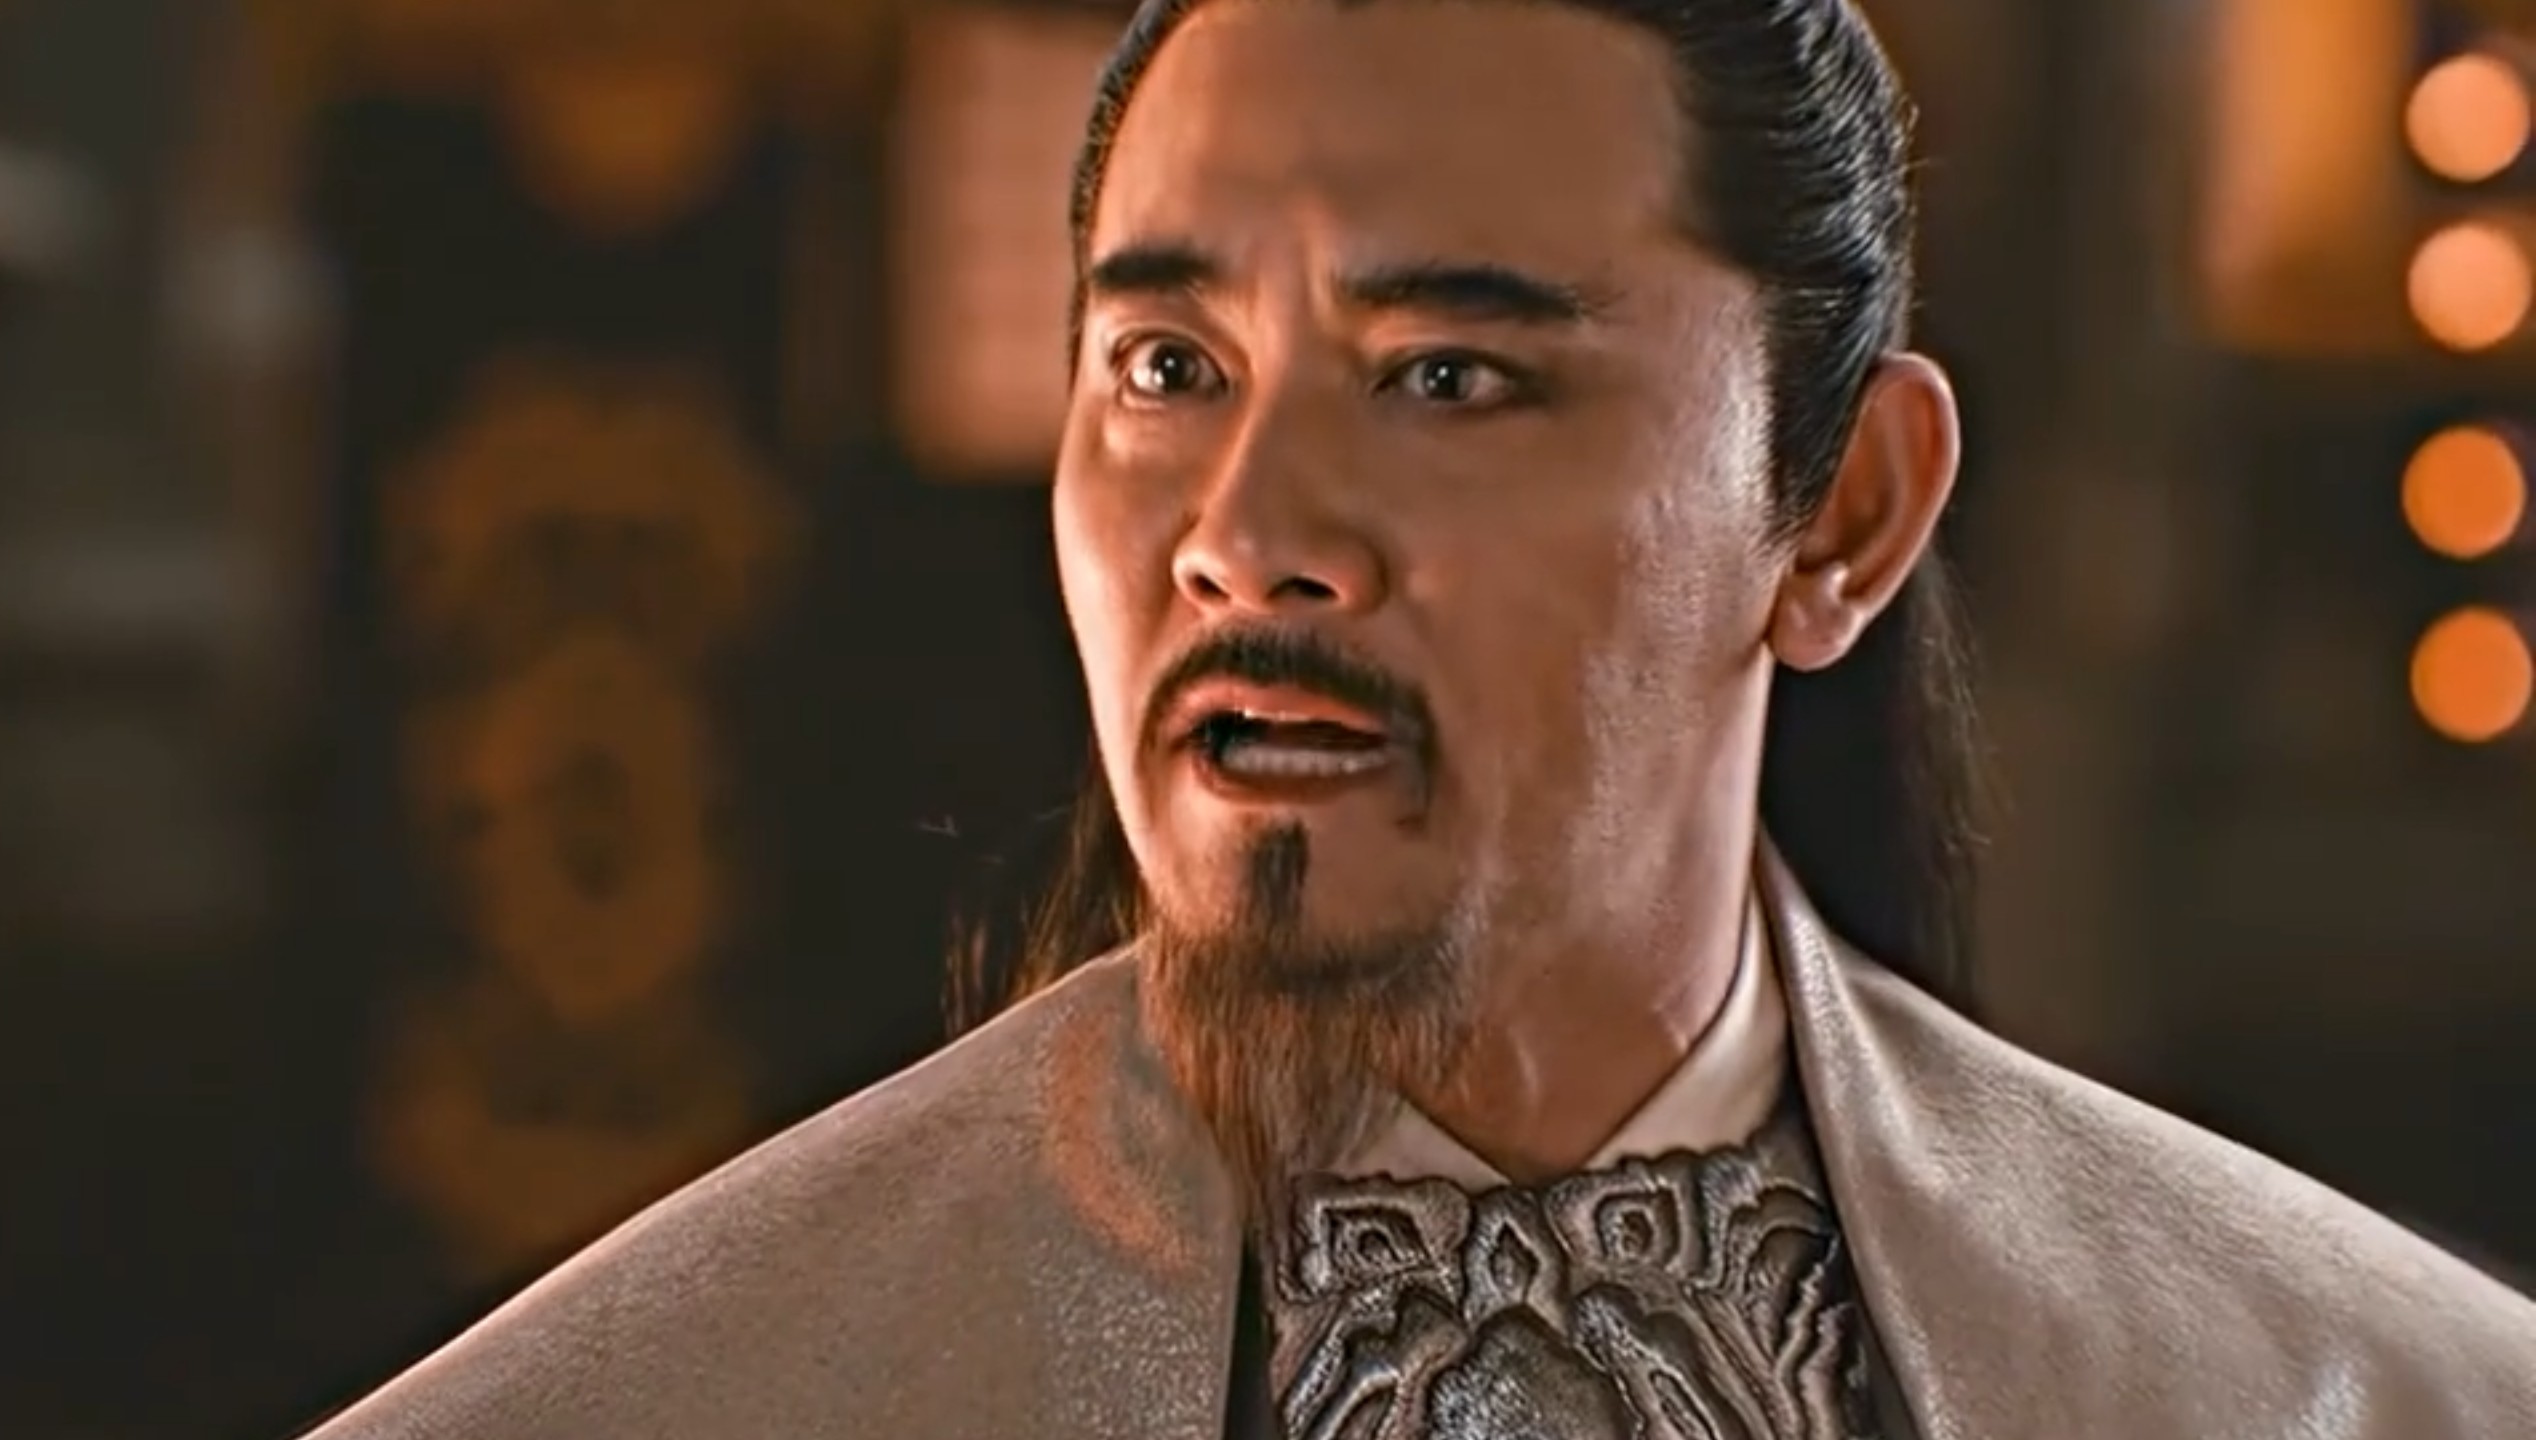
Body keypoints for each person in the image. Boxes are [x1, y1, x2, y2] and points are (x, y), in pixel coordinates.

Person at [295, 0, 2536, 1436]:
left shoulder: (2346, 1393)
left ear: (1841, 509)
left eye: (1449, 376)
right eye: (1167, 369)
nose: (1248, 535)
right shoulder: (680, 1396)